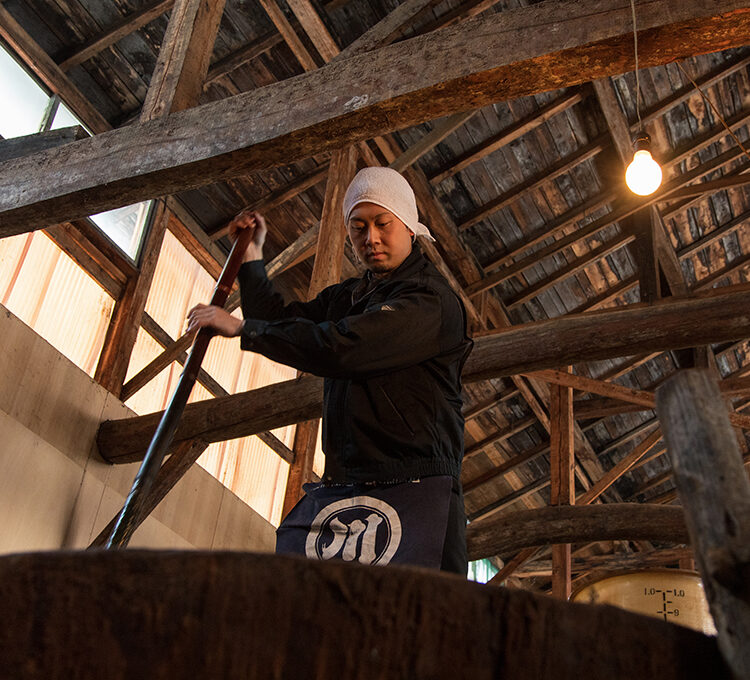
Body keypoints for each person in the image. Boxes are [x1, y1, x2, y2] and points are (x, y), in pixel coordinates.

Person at [187, 167, 473, 575]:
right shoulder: (350, 296)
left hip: (417, 487)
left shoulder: (431, 301)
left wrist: (246, 330)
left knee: (418, 619)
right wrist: (252, 259)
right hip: (346, 484)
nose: (370, 238)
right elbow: (279, 319)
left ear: (409, 226)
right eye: (358, 227)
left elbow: (344, 348)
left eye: (382, 223)